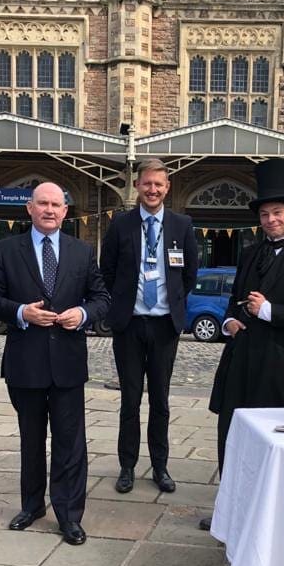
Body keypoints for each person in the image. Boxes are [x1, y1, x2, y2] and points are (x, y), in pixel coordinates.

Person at [0, 182, 110, 545]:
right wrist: (21, 312)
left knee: (71, 443)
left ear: (66, 211)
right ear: (30, 209)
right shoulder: (6, 249)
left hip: (67, 362)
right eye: (43, 204)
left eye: (57, 204)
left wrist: (82, 313)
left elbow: (102, 297)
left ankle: (69, 515)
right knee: (31, 440)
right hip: (26, 361)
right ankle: (32, 505)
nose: (50, 210)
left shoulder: (82, 252)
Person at [200, 158, 284, 530]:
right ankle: (230, 511)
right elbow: (233, 300)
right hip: (241, 359)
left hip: (279, 365)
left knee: (273, 440)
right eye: (265, 214)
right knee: (232, 435)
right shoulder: (250, 253)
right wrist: (229, 320)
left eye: (277, 212)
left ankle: (271, 517)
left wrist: (270, 311)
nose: (270, 219)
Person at [100, 158, 198, 495]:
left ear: (167, 187)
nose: (152, 189)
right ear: (137, 186)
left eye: (159, 184)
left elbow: (189, 275)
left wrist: (173, 305)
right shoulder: (120, 224)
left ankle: (160, 466)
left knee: (161, 401)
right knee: (129, 399)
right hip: (129, 325)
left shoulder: (182, 225)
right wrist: (123, 303)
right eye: (147, 184)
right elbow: (107, 270)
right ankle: (127, 466)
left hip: (163, 327)